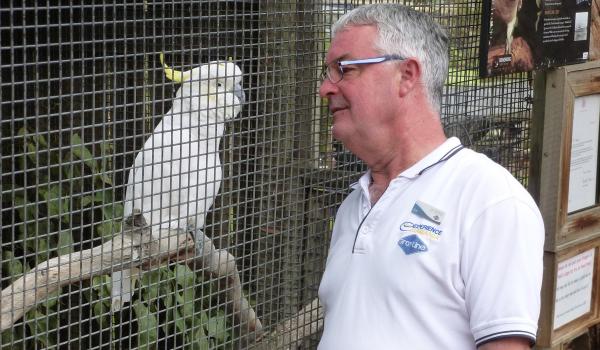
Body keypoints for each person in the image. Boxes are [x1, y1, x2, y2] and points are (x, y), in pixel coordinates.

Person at [317, 4, 544, 350]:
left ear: (407, 75)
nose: (325, 88)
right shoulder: (355, 205)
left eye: (343, 69)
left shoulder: (489, 199)